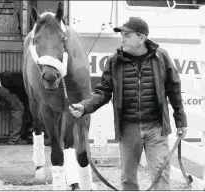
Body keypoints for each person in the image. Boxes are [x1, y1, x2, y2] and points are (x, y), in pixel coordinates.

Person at [69, 17, 188, 190]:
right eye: (122, 35)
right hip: (128, 128)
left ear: (141, 38)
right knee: (128, 179)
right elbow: (103, 92)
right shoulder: (114, 61)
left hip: (156, 127)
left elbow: (174, 89)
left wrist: (181, 120)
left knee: (160, 174)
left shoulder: (161, 57)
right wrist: (85, 106)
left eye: (127, 35)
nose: (122, 39)